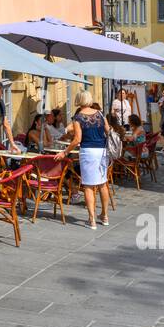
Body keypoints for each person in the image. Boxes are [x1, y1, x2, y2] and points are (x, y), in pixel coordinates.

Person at [63, 91, 112, 229]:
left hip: (88, 151)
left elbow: (77, 139)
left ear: (79, 100)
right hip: (102, 151)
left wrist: (66, 151)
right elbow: (108, 131)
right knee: (102, 184)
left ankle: (92, 219)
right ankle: (105, 215)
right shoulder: (100, 114)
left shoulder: (78, 117)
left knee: (89, 186)